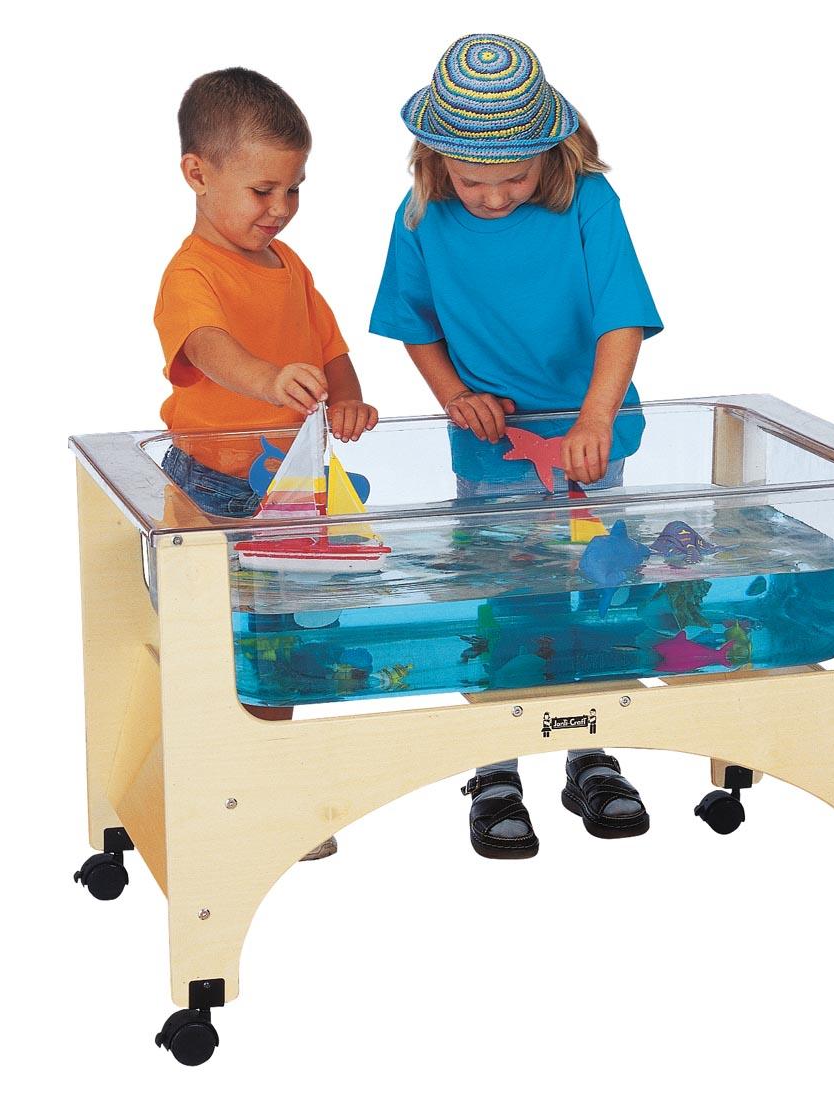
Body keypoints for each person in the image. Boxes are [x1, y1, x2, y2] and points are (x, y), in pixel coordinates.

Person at [370, 34, 663, 858]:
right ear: (435, 161)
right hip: (492, 449)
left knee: (601, 586)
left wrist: (596, 420)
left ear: (549, 153)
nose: (493, 197)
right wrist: (456, 398)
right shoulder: (422, 214)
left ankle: (592, 753)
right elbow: (415, 325)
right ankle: (495, 766)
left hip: (591, 440)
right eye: (473, 180)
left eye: (514, 178)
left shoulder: (589, 204)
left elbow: (622, 316)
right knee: (510, 592)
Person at [154, 67, 378, 860]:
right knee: (223, 641)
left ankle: (272, 794)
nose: (280, 209)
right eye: (263, 191)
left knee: (280, 639)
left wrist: (345, 398)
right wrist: (269, 381)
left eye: (294, 190)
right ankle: (223, 793)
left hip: (292, 486)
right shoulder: (193, 272)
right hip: (213, 487)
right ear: (197, 173)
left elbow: (331, 348)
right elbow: (207, 351)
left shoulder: (292, 268)